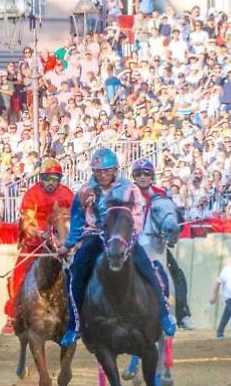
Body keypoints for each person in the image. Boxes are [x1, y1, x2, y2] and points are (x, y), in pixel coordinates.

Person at [58, 147, 178, 347]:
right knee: (77, 272)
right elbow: (78, 221)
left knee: (146, 266)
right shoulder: (84, 191)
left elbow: (137, 215)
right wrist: (68, 244)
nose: (102, 175)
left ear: (115, 170)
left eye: (107, 170)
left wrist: (129, 237)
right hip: (95, 236)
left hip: (123, 237)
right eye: (98, 171)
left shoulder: (129, 188)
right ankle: (74, 325)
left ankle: (164, 315)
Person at [4, 156, 75, 333]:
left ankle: (79, 313)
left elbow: (76, 216)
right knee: (18, 276)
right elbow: (27, 222)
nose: (51, 182)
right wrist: (42, 234)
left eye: (55, 179)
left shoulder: (67, 194)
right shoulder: (32, 194)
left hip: (62, 243)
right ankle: (13, 316)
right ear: (40, 178)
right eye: (47, 178)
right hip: (36, 244)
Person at [130, 157, 194, 329]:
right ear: (133, 176)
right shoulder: (127, 193)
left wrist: (171, 233)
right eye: (138, 174)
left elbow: (172, 217)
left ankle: (182, 314)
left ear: (152, 176)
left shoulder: (161, 194)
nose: (142, 177)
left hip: (155, 244)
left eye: (146, 174)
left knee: (176, 274)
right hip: (130, 243)